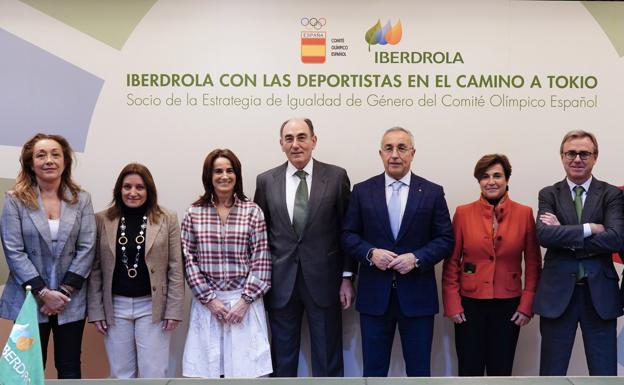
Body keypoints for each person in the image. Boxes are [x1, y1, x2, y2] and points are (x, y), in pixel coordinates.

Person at [342, 127, 453, 377]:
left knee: (419, 372)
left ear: (412, 153)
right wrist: (370, 254)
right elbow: (348, 235)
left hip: (417, 298)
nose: (395, 154)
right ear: (380, 153)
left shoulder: (433, 192)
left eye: (402, 148)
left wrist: (417, 258)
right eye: (389, 148)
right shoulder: (362, 191)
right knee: (373, 371)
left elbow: (446, 238)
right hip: (374, 298)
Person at [254, 118, 354, 377]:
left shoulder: (336, 176)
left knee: (327, 356)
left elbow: (347, 230)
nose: (295, 144)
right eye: (289, 138)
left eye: (301, 137)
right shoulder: (266, 181)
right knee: (282, 359)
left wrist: (347, 277)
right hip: (280, 283)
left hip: (325, 281)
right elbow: (259, 237)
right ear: (281, 144)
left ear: (313, 140)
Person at [0, 133, 95, 378]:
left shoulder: (81, 199)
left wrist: (62, 294)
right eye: (40, 155)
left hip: (69, 299)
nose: (49, 160)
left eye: (55, 154)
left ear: (65, 162)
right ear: (31, 164)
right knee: (29, 369)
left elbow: (87, 247)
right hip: (29, 298)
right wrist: (43, 293)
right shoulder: (15, 200)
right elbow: (13, 250)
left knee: (70, 367)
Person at [441, 154, 542, 376]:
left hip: (509, 305)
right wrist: (452, 304)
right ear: (479, 181)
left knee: (501, 370)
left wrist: (527, 305)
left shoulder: (524, 214)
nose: (491, 181)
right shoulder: (463, 213)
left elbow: (534, 264)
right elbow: (451, 263)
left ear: (507, 179)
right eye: (485, 176)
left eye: (497, 175)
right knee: (469, 370)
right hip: (469, 304)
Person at [534, 130, 624, 376]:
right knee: (552, 373)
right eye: (570, 153)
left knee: (604, 374)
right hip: (557, 296)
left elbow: (615, 238)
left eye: (584, 153)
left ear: (595, 157)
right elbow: (544, 236)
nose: (577, 159)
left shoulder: (611, 194)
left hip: (599, 296)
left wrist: (564, 234)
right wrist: (589, 229)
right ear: (562, 157)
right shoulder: (548, 194)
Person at [87, 163, 184, 378]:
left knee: (154, 373)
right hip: (116, 306)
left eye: (140, 187)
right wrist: (96, 310)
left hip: (152, 307)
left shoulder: (167, 218)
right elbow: (95, 270)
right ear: (119, 189)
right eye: (127, 186)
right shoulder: (102, 219)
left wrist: (173, 310)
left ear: (149, 190)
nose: (133, 193)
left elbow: (176, 267)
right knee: (121, 374)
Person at [181, 149, 272, 378]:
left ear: (237, 175)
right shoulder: (194, 213)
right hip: (208, 305)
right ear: (209, 176)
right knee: (209, 373)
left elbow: (261, 258)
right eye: (218, 171)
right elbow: (188, 259)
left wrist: (245, 300)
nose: (224, 176)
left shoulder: (252, 211)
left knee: (247, 373)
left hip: (244, 305)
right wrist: (210, 300)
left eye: (229, 170)